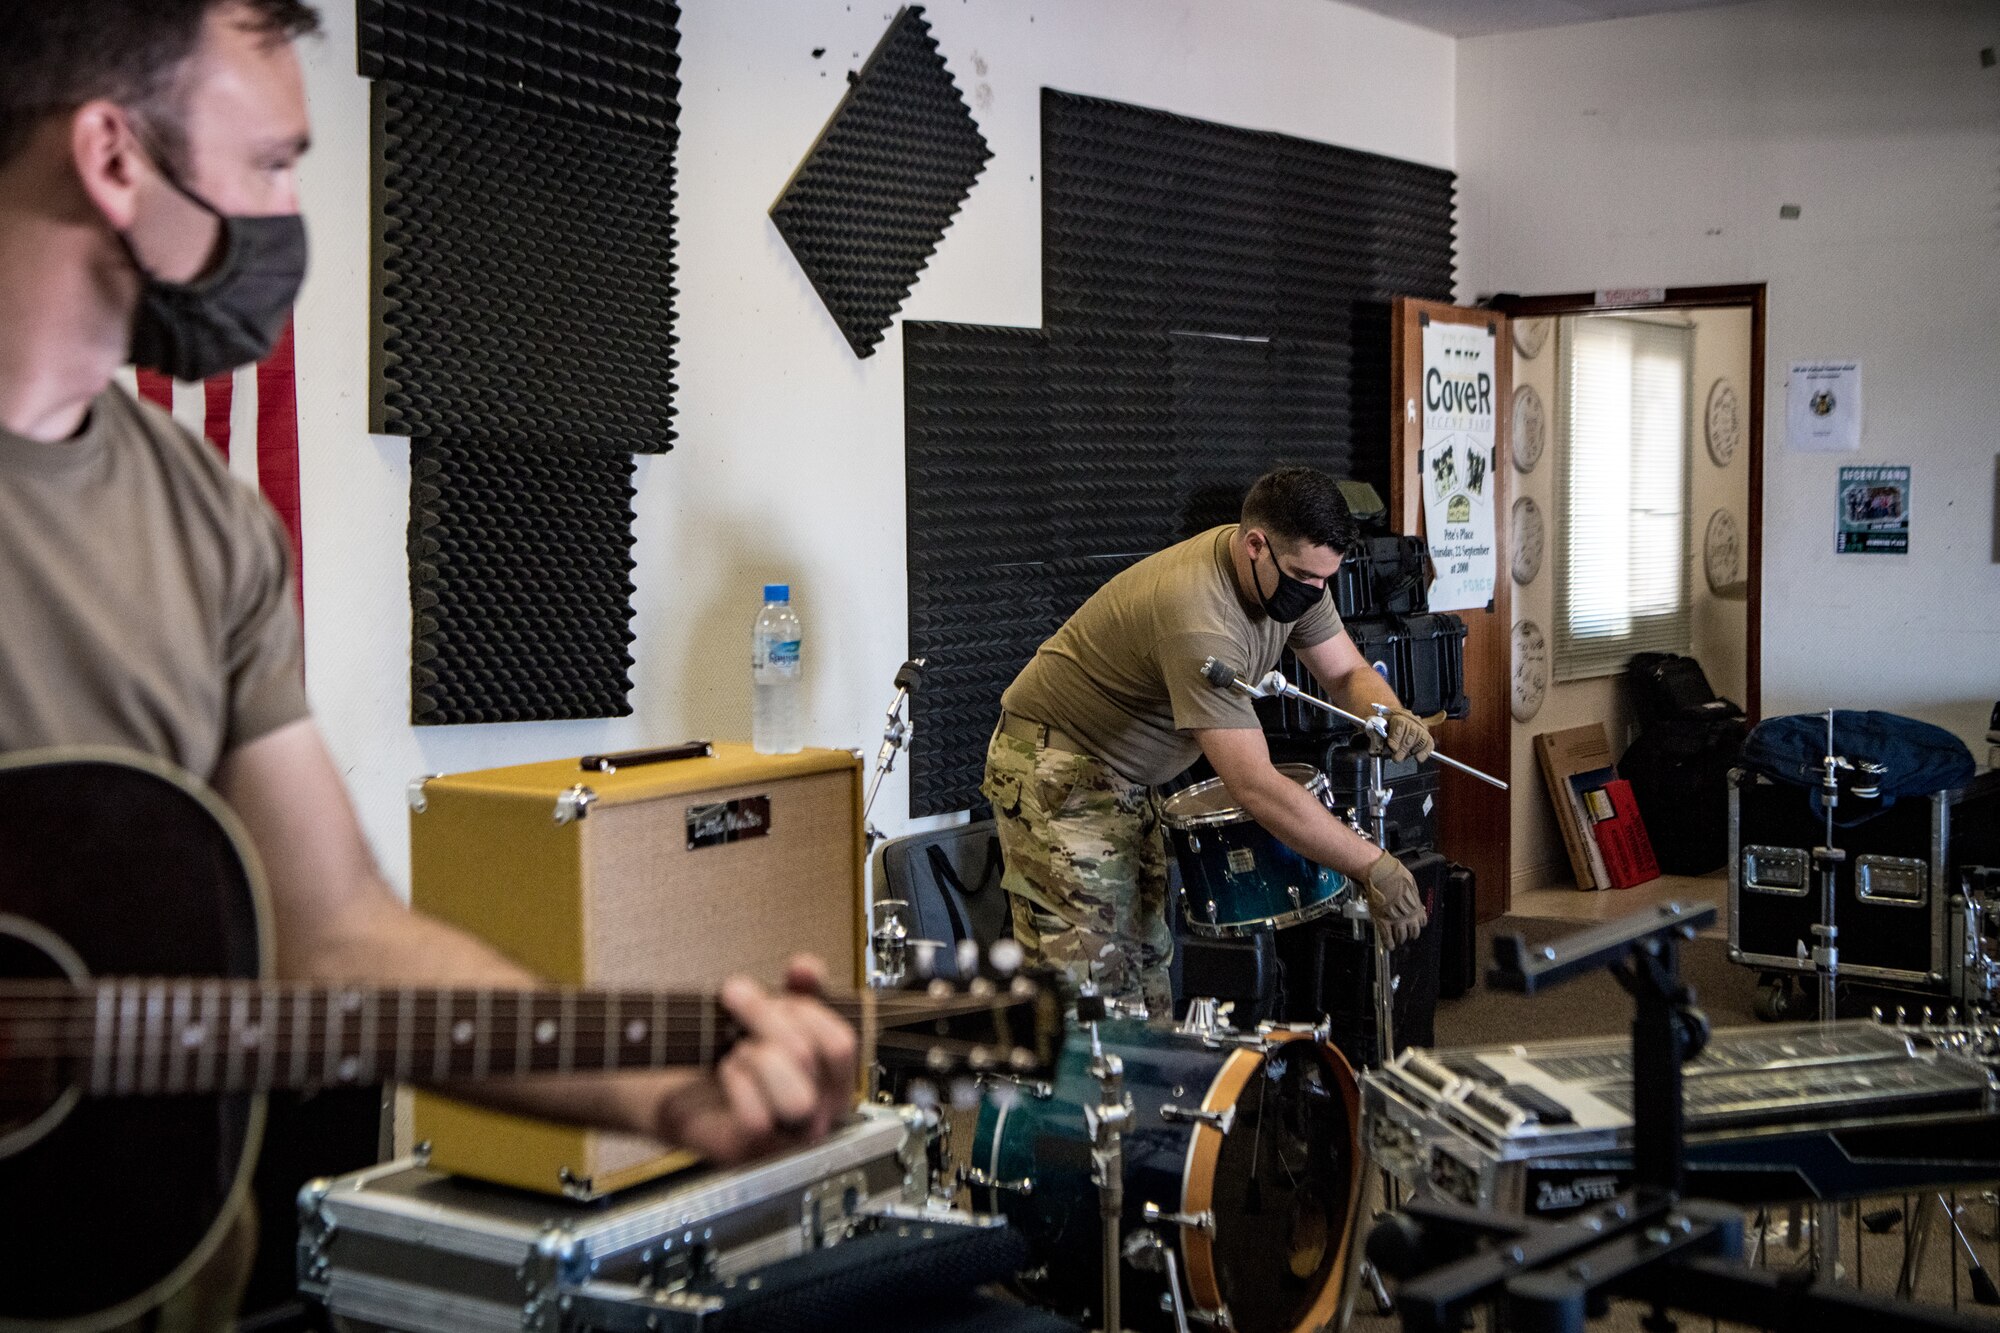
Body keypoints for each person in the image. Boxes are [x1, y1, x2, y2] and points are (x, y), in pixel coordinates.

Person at [0, 0, 855, 1321]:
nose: (291, 218)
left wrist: (658, 1089)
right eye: (274, 164)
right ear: (114, 157)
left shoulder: (207, 523)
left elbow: (335, 929)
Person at [983, 467, 1435, 1015]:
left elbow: (1344, 674)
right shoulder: (1199, 618)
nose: (1315, 593)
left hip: (1125, 774)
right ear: (1255, 546)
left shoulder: (1298, 577)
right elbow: (1255, 787)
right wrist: (1372, 866)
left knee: (1146, 966)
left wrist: (1388, 712)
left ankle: (1133, 1092)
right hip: (1056, 767)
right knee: (1086, 985)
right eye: (1304, 577)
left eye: (1325, 580)